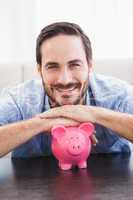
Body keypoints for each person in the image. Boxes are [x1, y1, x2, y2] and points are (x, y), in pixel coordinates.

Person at [0, 22, 133, 158]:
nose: (65, 80)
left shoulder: (118, 94)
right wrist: (41, 123)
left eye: (75, 65)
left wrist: (95, 115)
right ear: (40, 70)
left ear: (89, 65)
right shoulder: (19, 99)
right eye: (52, 66)